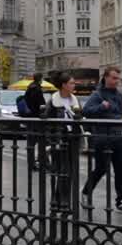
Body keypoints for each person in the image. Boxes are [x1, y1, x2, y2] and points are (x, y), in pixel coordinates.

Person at [81, 66, 122, 212]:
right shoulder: (97, 95)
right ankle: (86, 192)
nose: (117, 81)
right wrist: (101, 107)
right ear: (106, 77)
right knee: (101, 168)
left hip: (117, 136)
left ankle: (121, 200)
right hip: (102, 136)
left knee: (120, 168)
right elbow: (86, 111)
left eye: (118, 78)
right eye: (114, 78)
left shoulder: (119, 94)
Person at [44, 72, 83, 210]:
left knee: (70, 171)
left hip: (72, 138)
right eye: (71, 83)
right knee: (61, 171)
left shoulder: (74, 99)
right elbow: (47, 123)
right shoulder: (53, 101)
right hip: (59, 139)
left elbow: (80, 117)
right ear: (63, 85)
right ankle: (63, 201)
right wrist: (51, 141)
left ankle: (58, 200)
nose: (74, 85)